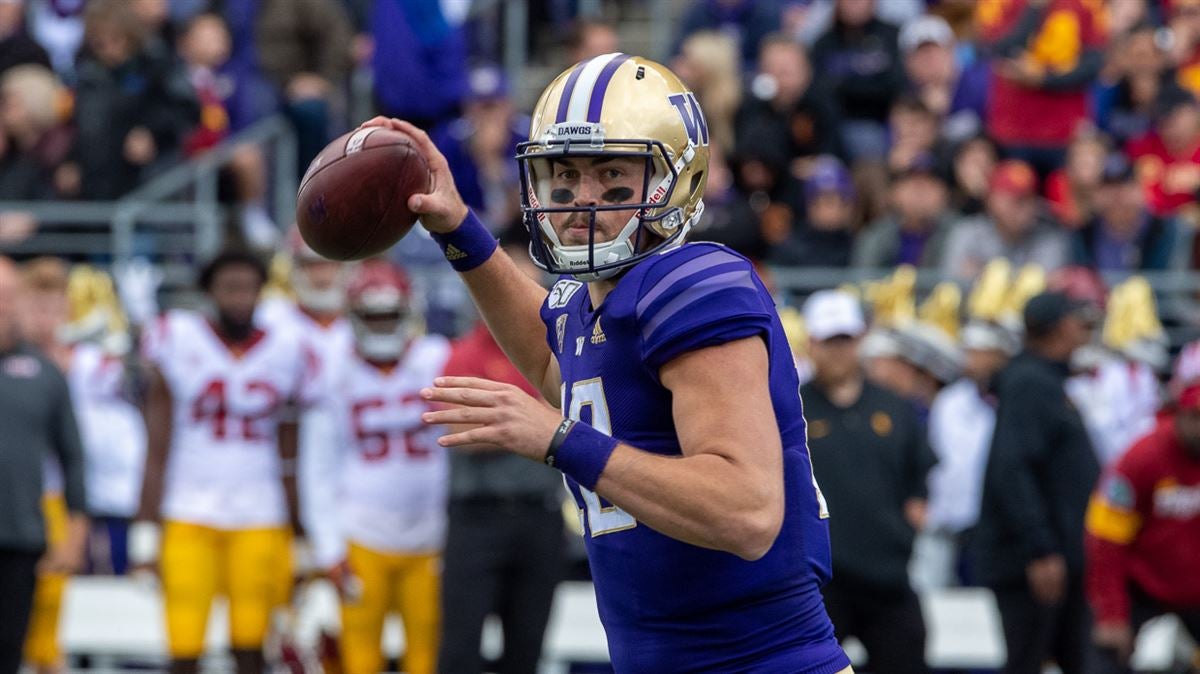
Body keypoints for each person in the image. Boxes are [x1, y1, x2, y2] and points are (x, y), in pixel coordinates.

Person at [359, 52, 851, 671]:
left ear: (676, 179)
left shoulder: (694, 283)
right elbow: (550, 358)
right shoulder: (593, 300)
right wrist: (457, 228)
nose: (578, 202)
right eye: (562, 179)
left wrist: (561, 439)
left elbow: (746, 511)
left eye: (612, 177)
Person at [131, 251, 309, 674]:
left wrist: (301, 534)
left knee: (251, 645)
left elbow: (291, 449)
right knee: (183, 646)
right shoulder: (178, 336)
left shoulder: (286, 346)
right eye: (229, 288)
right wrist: (145, 526)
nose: (239, 298)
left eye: (248, 288)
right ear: (209, 291)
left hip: (260, 512)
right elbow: (157, 442)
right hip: (188, 510)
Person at [304, 262, 448, 674]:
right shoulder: (334, 368)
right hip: (361, 537)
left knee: (427, 655)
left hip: (430, 537)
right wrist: (329, 547)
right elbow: (319, 467)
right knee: (359, 656)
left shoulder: (435, 357)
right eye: (373, 316)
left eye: (391, 315)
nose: (383, 325)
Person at [438, 242, 567, 674]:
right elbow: (461, 432)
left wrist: (523, 421)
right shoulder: (468, 351)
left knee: (527, 650)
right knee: (460, 650)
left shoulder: (559, 351)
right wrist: (540, 422)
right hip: (480, 517)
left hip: (540, 516)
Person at [800, 290, 935, 674]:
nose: (838, 352)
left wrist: (913, 515)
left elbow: (920, 471)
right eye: (829, 342)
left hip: (887, 573)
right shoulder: (795, 407)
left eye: (845, 340)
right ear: (811, 344)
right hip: (821, 580)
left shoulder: (893, 405)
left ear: (860, 341)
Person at [974, 291, 1102, 674]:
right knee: (1028, 661)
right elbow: (1013, 470)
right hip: (1035, 563)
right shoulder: (1031, 383)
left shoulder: (1042, 380)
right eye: (1077, 321)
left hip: (1055, 555)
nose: (1084, 330)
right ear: (1059, 328)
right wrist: (1040, 549)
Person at [0, 256, 86, 674]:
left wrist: (76, 523)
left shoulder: (54, 370)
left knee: (32, 636)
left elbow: (75, 452)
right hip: (21, 510)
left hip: (31, 517)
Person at [1084, 385, 1200, 672]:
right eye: (1197, 417)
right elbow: (1106, 539)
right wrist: (1111, 612)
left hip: (1196, 586)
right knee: (1104, 654)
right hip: (1140, 584)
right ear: (1179, 415)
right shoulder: (1141, 457)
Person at [941, 159, 1071, 280]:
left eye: (1028, 199)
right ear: (991, 200)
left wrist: (982, 272)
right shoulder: (967, 232)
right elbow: (954, 281)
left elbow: (1046, 284)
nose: (1023, 208)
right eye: (1014, 200)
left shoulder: (1049, 235)